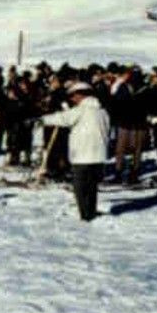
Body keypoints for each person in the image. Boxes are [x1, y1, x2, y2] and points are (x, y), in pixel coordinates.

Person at [40, 82, 111, 221]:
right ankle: (91, 211)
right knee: (92, 187)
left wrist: (41, 120)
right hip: (99, 156)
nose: (72, 99)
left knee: (80, 187)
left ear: (80, 95)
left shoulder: (80, 110)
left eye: (73, 96)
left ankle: (85, 215)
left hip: (82, 155)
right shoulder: (103, 111)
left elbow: (62, 118)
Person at [107, 66, 148, 185]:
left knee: (124, 149)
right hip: (134, 122)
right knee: (134, 149)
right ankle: (131, 172)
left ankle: (122, 172)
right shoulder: (140, 87)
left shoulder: (125, 86)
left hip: (128, 122)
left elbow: (116, 103)